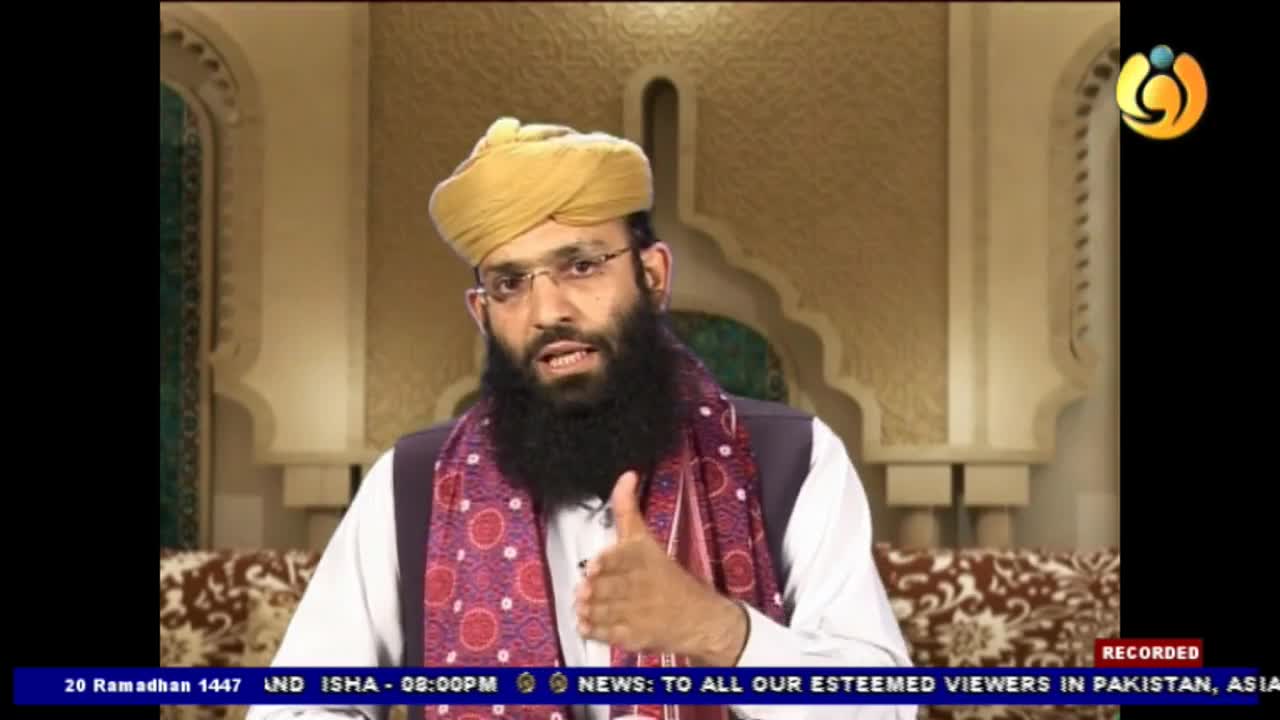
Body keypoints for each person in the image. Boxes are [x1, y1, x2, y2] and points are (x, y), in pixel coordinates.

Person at [246, 117, 915, 720]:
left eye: (582, 265)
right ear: (483, 313)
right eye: (511, 283)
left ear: (653, 275)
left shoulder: (789, 459)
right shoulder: (414, 483)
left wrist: (717, 630)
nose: (548, 311)